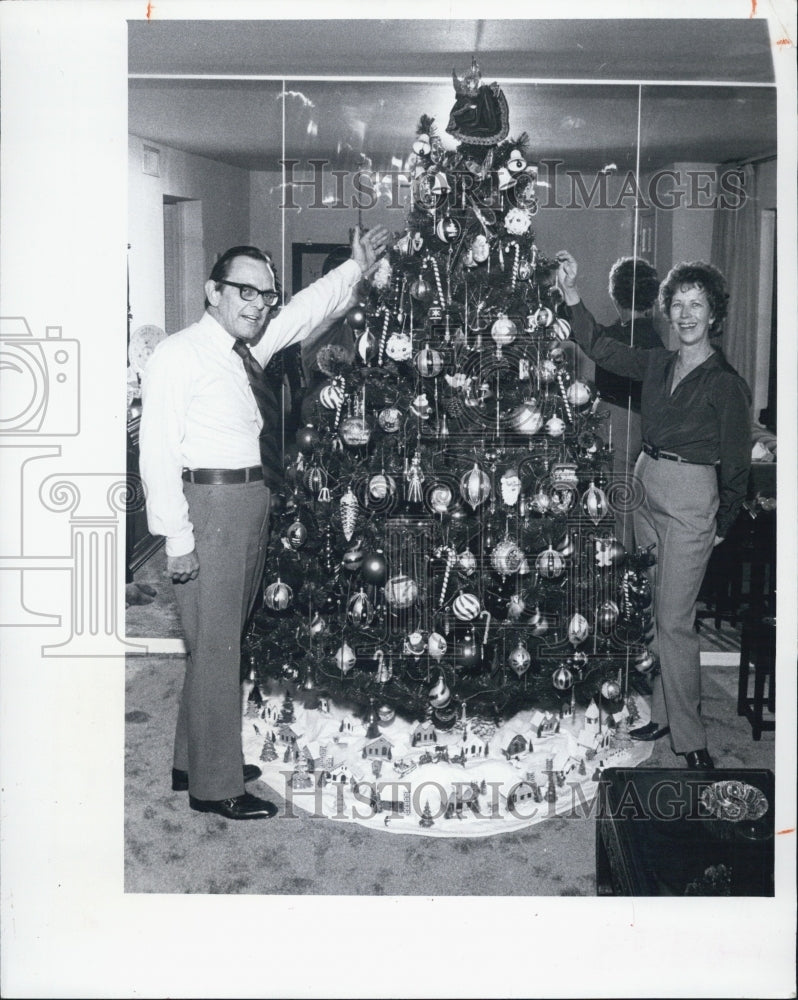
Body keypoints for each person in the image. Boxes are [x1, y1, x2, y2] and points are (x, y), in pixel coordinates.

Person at [139, 225, 389, 819]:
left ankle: (191, 759)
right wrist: (177, 539)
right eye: (244, 292)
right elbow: (156, 453)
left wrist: (352, 269)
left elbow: (304, 313)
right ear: (213, 291)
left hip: (248, 505)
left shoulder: (244, 346)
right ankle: (215, 785)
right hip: (211, 510)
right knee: (219, 646)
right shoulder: (179, 354)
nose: (257, 304)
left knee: (216, 643)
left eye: (264, 295)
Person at [557, 251, 751, 770]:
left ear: (714, 315)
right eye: (679, 304)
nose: (687, 314)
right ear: (667, 311)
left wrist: (721, 525)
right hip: (647, 483)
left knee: (676, 620)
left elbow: (736, 466)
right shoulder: (658, 362)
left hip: (691, 498)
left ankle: (691, 738)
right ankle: (663, 712)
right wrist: (573, 294)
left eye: (697, 305)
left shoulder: (726, 383)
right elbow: (598, 345)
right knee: (649, 607)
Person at [590, 257, 664, 550]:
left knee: (615, 508)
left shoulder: (610, 336)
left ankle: (618, 580)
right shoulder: (656, 340)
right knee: (631, 505)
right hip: (645, 426)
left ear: (614, 294)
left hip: (615, 423)